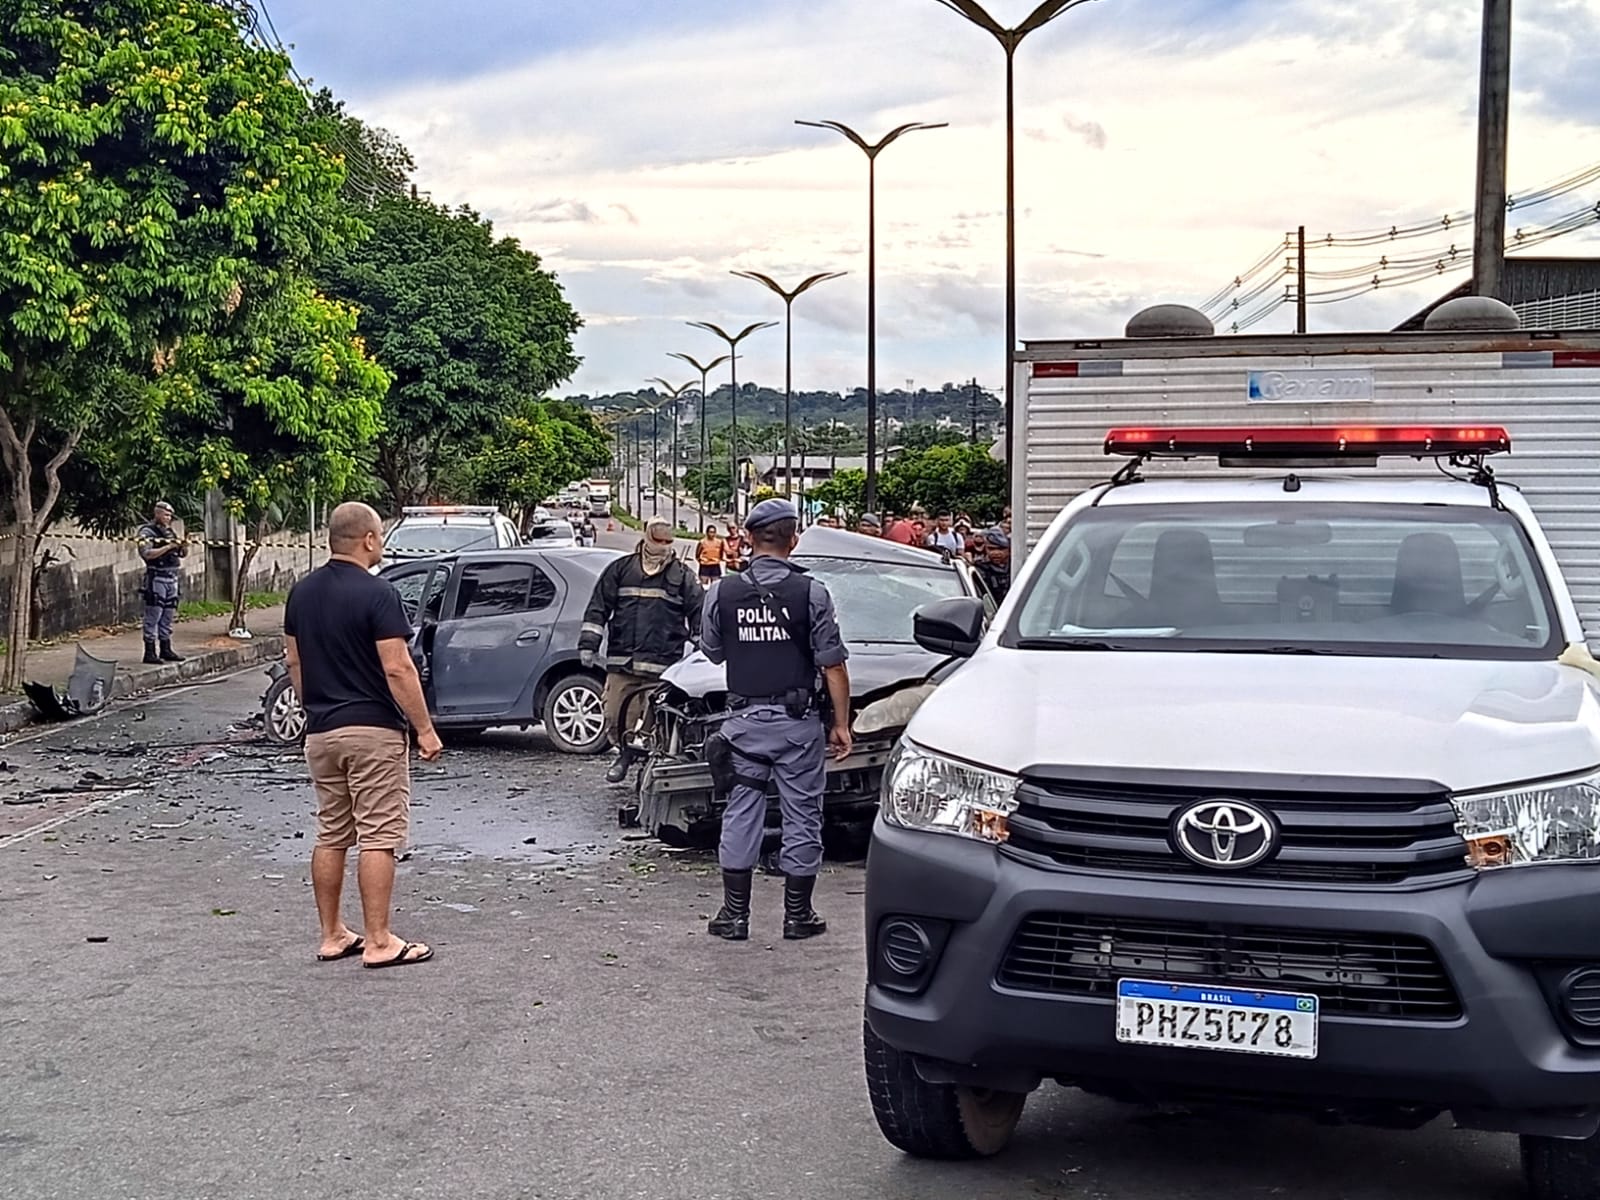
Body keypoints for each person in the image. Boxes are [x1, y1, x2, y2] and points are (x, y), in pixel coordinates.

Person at [284, 502, 443, 970]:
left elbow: (295, 663)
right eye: (380, 536)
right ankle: (378, 941)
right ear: (369, 540)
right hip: (372, 731)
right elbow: (397, 666)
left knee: (332, 832)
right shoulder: (378, 594)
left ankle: (333, 934)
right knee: (379, 834)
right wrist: (425, 729)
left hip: (322, 731)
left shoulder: (300, 593)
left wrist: (317, 707)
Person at [700, 498, 852, 943]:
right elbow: (834, 666)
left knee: (741, 811)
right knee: (802, 813)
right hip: (798, 726)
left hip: (744, 724)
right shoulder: (812, 593)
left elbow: (712, 650)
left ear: (748, 538)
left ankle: (734, 916)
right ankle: (797, 915)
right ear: (794, 540)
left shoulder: (722, 592)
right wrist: (841, 724)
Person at [581, 516, 703, 784]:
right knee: (614, 716)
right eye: (658, 540)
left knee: (655, 720)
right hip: (622, 662)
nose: (662, 546)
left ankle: (644, 763)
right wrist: (588, 645)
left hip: (662, 665)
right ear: (647, 538)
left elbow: (699, 615)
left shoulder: (682, 576)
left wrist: (702, 650)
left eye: (667, 542)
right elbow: (598, 608)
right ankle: (623, 752)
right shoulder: (621, 570)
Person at [136, 501, 189, 665]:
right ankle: (150, 651)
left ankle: (166, 648)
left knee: (168, 615)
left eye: (170, 515)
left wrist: (183, 546)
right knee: (154, 614)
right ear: (157, 514)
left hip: (172, 576)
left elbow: (180, 554)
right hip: (156, 577)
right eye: (165, 515)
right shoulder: (146, 532)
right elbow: (146, 553)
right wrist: (167, 547)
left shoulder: (169, 532)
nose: (168, 518)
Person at [976, 527, 1013, 603]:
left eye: (1000, 549)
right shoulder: (980, 568)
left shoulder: (1016, 567)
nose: (996, 553)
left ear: (1009, 549)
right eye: (991, 549)